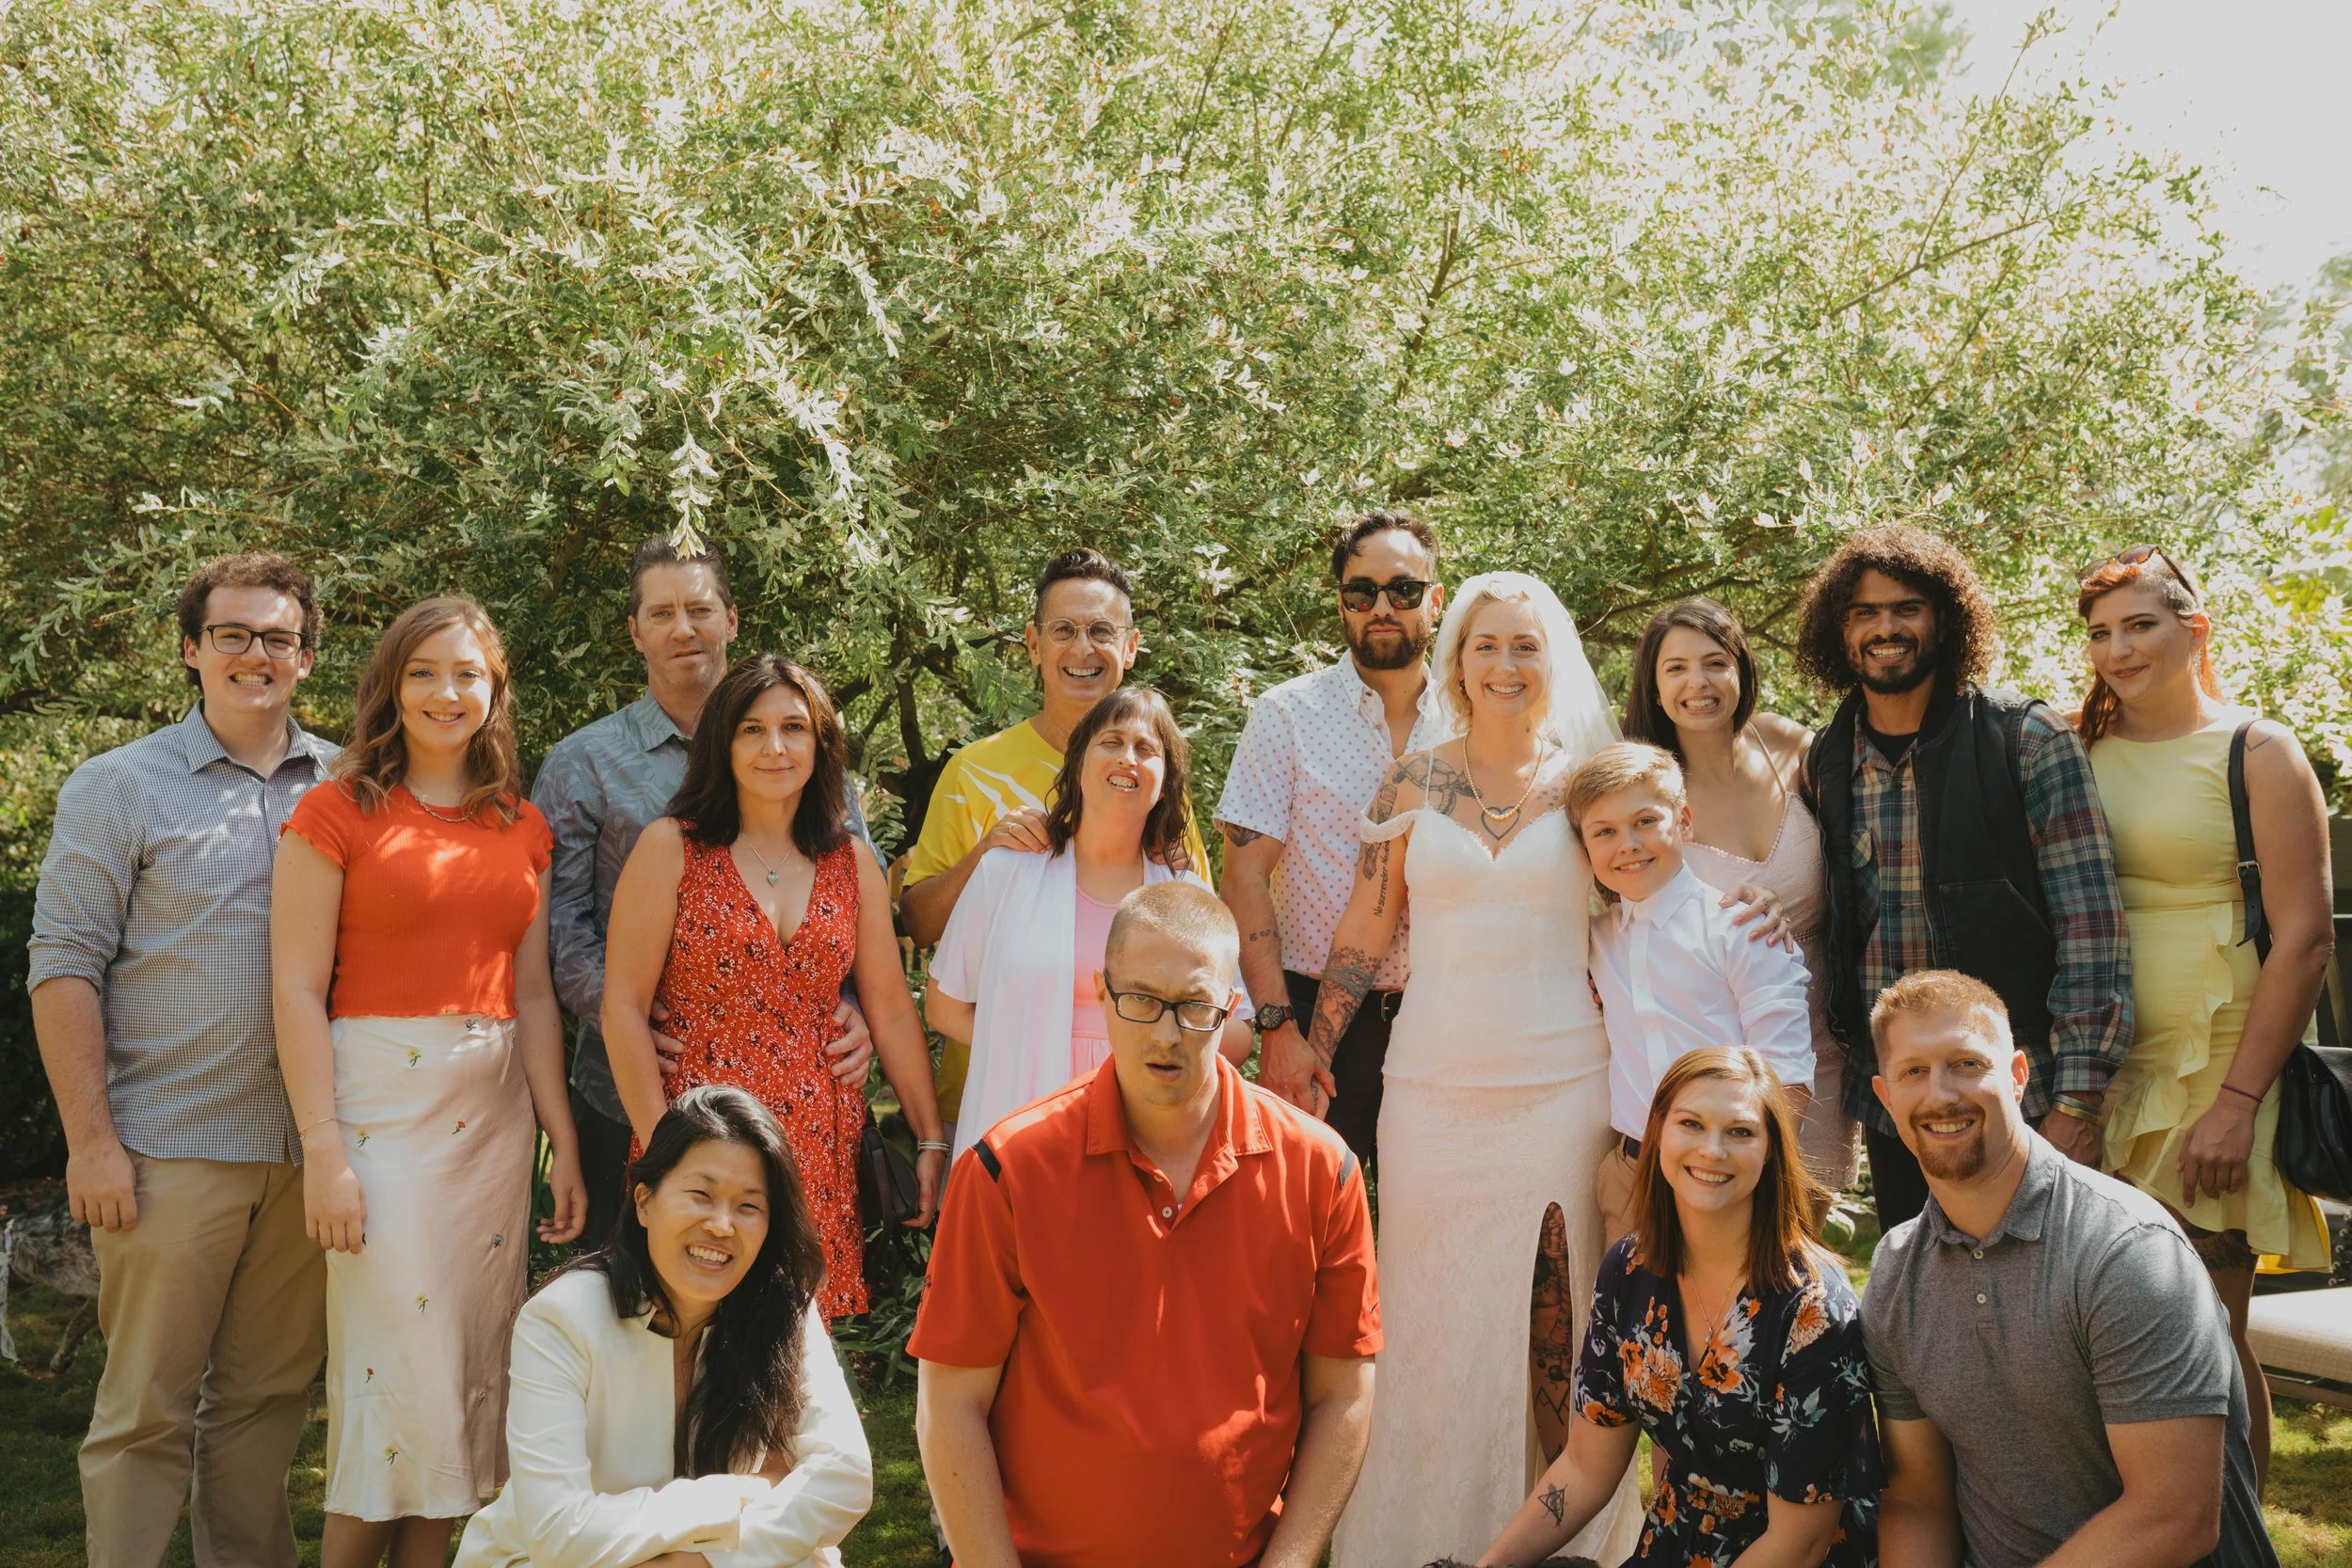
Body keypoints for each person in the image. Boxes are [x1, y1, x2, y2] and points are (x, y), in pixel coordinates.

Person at [1317, 571, 1641, 1567]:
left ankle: (1556, 1542)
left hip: (1561, 1087)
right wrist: (1304, 1048)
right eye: (1487, 645)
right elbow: (1365, 934)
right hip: (1429, 1093)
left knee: (1557, 1304)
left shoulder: (1590, 784)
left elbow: (1644, 904)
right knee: (1425, 1307)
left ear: (1554, 662)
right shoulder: (1408, 784)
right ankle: (1411, 1538)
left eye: (1525, 646)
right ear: (1456, 662)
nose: (1505, 664)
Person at [911, 882, 1377, 1568]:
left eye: (1193, 1006)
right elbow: (950, 1404)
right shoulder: (1009, 1169)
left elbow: (1344, 1393)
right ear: (1102, 992)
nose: (1166, 1033)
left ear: (1230, 1008)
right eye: (1142, 1000)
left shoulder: (1322, 1171)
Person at [28, 554, 339, 1568]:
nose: (258, 654)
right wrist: (91, 1142)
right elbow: (64, 965)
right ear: (192, 648)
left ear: (307, 655)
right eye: (235, 634)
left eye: (279, 637)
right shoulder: (119, 785)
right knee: (143, 1413)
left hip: (307, 1157)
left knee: (264, 1407)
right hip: (168, 1149)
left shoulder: (350, 785)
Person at [271, 596, 588, 1567]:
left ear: (494, 688)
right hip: (376, 1119)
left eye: (467, 673)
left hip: (491, 1124)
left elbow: (534, 994)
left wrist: (562, 1142)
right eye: (424, 672)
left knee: (460, 1381)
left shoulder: (522, 823)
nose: (447, 692)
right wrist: (324, 1148)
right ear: (391, 686)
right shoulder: (335, 808)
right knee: (391, 1385)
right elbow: (292, 986)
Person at [1866, 970, 2277, 1568]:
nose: (1941, 1094)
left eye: (1966, 1063)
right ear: (1885, 1097)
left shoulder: (2125, 1249)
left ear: (2018, 1076)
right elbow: (1919, 1497)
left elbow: (2175, 1516)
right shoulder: (1897, 1271)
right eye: (1913, 1072)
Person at [2075, 545, 2334, 1488]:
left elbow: (2304, 937)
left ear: (2195, 626)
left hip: (2217, 1055)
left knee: (2207, 1325)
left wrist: (2235, 1100)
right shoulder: (2073, 743)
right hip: (2100, 1058)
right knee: (2111, 1328)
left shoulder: (2255, 749)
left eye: (2139, 623)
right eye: (2099, 631)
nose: (2117, 648)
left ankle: (2234, 1538)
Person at [534, 536, 876, 1250]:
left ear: (732, 618)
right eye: (661, 613)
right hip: (631, 1087)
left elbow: (853, 900)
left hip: (793, 1096)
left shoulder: (807, 752)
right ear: (635, 631)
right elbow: (560, 926)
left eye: (699, 608)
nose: (682, 628)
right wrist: (628, 1012)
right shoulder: (582, 764)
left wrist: (850, 1007)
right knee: (636, 1305)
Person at [1793, 525, 2131, 1231]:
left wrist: (2077, 1103)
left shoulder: (2027, 739)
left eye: (1907, 607)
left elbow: (2092, 931)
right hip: (1897, 1108)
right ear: (1839, 630)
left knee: (2038, 1321)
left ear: (1944, 618)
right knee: (1920, 1322)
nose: (1886, 627)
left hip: (2018, 1095)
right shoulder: (1826, 760)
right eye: (1864, 612)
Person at [601, 654, 947, 1321]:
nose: (775, 747)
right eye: (752, 729)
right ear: (722, 743)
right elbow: (622, 1005)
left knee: (790, 1349)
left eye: (794, 727)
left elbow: (892, 1010)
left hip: (814, 1144)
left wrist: (929, 1137)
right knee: (683, 1324)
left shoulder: (850, 863)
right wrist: (662, 1152)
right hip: (695, 1136)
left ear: (822, 745)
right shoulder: (671, 848)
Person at [1466, 1048, 1879, 1568]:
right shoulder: (1629, 1271)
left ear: (1772, 1150)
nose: (1712, 1149)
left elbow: (1799, 1545)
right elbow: (1586, 1468)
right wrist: (1490, 1564)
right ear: (1659, 1132)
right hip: (1675, 1543)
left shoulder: (1814, 1312)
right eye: (1692, 1123)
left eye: (1740, 1132)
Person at [453, 1085, 872, 1568]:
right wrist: (726, 1498)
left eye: (749, 1206)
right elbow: (559, 1533)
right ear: (645, 1202)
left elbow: (845, 1476)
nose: (721, 1224)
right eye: (701, 1194)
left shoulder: (784, 1312)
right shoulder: (561, 1318)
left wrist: (702, 1564)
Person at [898, 547, 1211, 1136]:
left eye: (1101, 631)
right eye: (1063, 630)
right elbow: (917, 922)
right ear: (1033, 644)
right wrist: (986, 854)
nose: (1083, 649)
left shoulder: (1156, 788)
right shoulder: (973, 771)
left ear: (1131, 646)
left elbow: (1198, 959)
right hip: (994, 1099)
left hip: (1134, 1108)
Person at [1216, 509, 1453, 1171]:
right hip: (1313, 1013)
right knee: (1302, 1231)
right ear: (1342, 604)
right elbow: (1242, 878)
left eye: (1403, 589)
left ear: (1434, 600)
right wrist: (1277, 1028)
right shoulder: (1286, 715)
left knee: (1431, 1233)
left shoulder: (1474, 720)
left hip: (1446, 1018)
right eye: (1361, 591)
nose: (1382, 606)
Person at [927, 687, 1251, 1159]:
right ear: (1078, 763)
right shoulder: (1006, 871)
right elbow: (943, 1007)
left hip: (1147, 1129)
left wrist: (1160, 1038)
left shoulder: (1186, 894)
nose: (1128, 758)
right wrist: (1035, 1041)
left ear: (1166, 780)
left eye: (1147, 749)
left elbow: (1238, 1035)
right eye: (1111, 742)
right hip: (1023, 1120)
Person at [1623, 596, 1862, 1193]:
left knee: (1803, 1250)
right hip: (1714, 1059)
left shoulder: (1789, 748)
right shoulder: (1641, 789)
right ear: (1653, 685)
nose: (1697, 683)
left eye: (1714, 663)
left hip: (1824, 1040)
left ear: (1742, 670)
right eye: (1675, 668)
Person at [1566, 742, 1815, 1243]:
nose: (1628, 844)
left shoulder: (1742, 928)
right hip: (1632, 1177)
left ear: (1684, 821)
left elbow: (1787, 1074)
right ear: (1586, 848)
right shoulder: (1592, 939)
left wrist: (1760, 1185)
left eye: (1645, 822)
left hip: (1729, 1174)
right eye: (1605, 832)